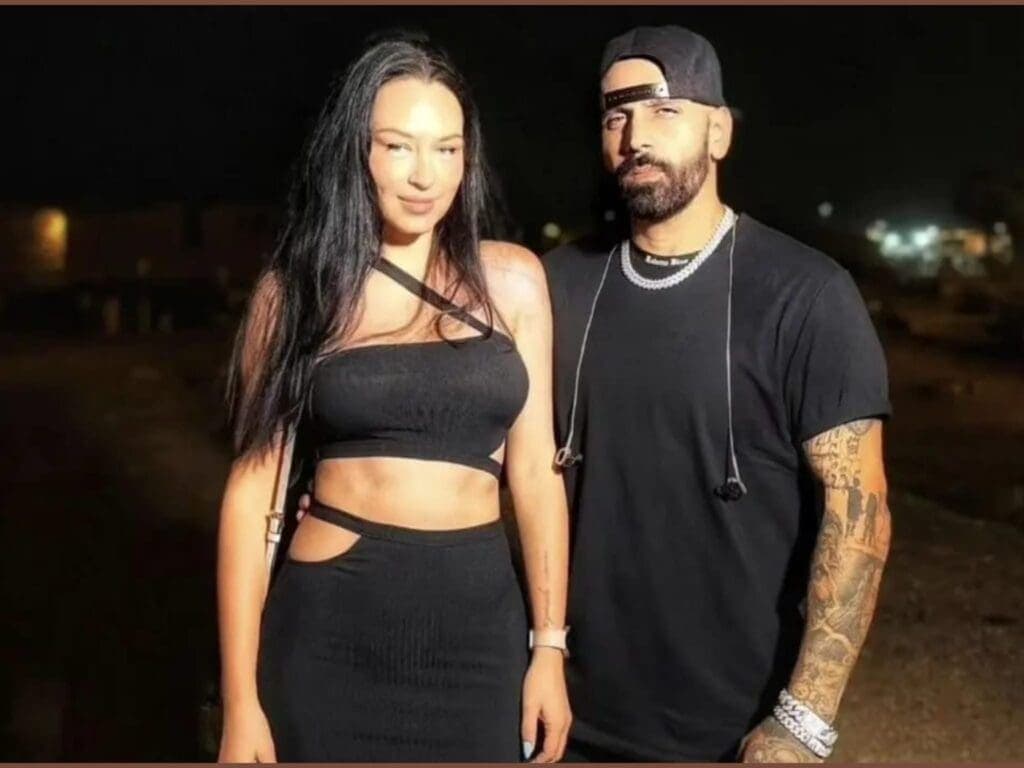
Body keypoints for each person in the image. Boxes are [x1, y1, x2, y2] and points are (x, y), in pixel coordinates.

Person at [541, 25, 893, 762]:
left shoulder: (805, 295)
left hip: (733, 731)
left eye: (665, 110)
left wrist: (802, 723)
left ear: (720, 131)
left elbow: (857, 517)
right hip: (567, 714)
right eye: (615, 116)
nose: (636, 137)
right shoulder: (556, 285)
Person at [216, 35, 571, 763]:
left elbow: (538, 477)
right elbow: (251, 495)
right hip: (330, 634)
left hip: (478, 640)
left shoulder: (513, 281)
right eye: (397, 146)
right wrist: (240, 703)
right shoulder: (297, 294)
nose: (423, 175)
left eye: (447, 149)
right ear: (358, 152)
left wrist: (549, 646)